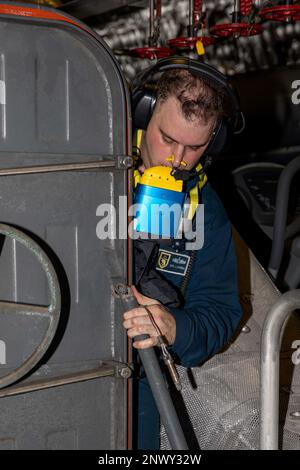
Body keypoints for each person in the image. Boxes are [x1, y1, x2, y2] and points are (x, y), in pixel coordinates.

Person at [123, 65, 243, 449]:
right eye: (168, 139)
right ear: (142, 114)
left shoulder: (204, 209)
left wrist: (174, 327)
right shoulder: (87, 170)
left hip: (140, 386)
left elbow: (221, 313)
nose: (177, 159)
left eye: (195, 148)